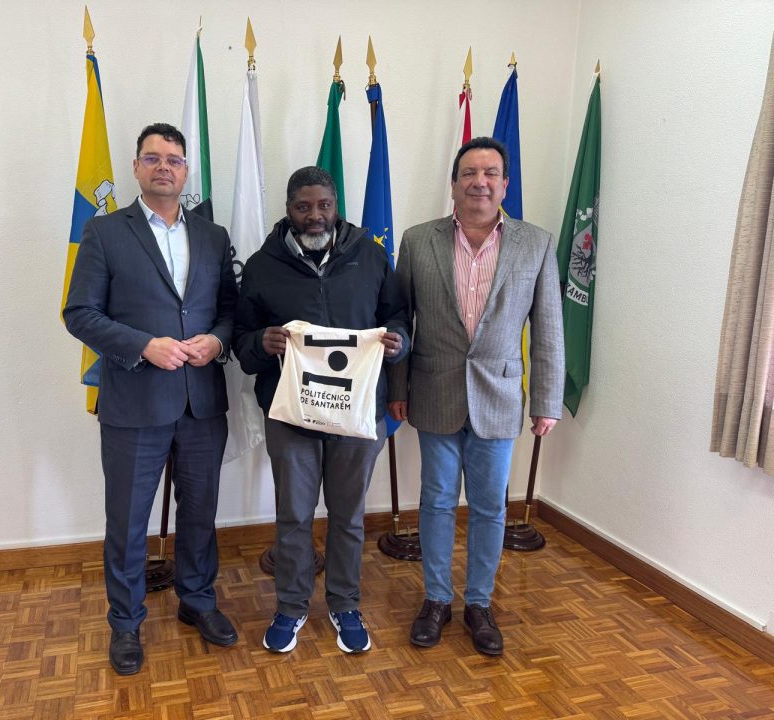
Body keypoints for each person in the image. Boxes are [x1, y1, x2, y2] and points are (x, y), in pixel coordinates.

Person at [63, 123, 238, 675]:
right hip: (134, 404)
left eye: (175, 159)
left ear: (186, 171)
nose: (165, 166)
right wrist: (143, 345)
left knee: (201, 513)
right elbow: (79, 313)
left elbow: (230, 310)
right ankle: (125, 622)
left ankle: (198, 601)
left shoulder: (213, 236)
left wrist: (218, 341)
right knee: (128, 520)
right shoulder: (104, 232)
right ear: (136, 167)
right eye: (153, 157)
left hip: (201, 403)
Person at [387, 137, 564, 656]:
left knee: (490, 507)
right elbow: (400, 321)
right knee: (436, 501)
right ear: (454, 184)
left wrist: (546, 401)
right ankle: (437, 599)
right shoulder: (417, 240)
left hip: (499, 395)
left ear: (505, 184)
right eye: (468, 173)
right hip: (434, 391)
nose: (479, 182)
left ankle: (479, 604)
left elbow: (548, 328)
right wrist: (397, 387)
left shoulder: (536, 244)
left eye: (490, 173)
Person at [233, 166, 409, 654]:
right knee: (293, 515)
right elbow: (241, 340)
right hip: (290, 414)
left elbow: (396, 315)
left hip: (357, 412)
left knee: (349, 515)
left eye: (323, 205)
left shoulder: (370, 256)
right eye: (303, 207)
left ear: (336, 207)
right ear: (289, 210)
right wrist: (260, 343)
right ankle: (290, 607)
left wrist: (399, 340)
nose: (314, 215)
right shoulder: (262, 265)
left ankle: (345, 604)